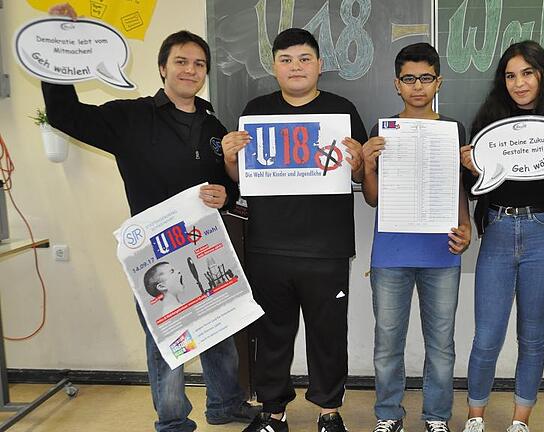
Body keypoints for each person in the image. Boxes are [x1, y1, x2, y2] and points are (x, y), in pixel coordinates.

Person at [42, 4, 259, 431]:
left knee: (219, 328)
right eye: (181, 61)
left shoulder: (215, 125)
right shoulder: (129, 117)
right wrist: (56, 47)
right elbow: (64, 115)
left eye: (199, 64)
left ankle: (225, 405)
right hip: (155, 253)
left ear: (205, 73)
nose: (190, 70)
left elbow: (227, 185)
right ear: (163, 68)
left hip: (206, 244)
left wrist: (226, 191)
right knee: (168, 340)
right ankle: (173, 419)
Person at [221, 28, 366, 432]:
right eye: (286, 60)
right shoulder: (255, 110)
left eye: (304, 59)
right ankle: (273, 412)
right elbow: (240, 179)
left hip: (327, 248)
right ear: (274, 67)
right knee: (272, 335)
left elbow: (360, 173)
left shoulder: (342, 111)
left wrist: (358, 164)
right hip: (269, 247)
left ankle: (328, 412)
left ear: (319, 65)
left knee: (328, 335)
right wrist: (232, 159)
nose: (296, 67)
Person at [459, 41, 544, 432]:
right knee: (487, 336)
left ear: (543, 74)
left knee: (532, 337)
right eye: (511, 75)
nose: (519, 83)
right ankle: (475, 418)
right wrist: (470, 169)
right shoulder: (488, 122)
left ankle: (520, 420)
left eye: (527, 73)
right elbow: (475, 189)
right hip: (498, 230)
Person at [361, 42, 472, 432]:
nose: (418, 86)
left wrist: (466, 226)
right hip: (391, 253)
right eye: (409, 78)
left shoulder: (454, 129)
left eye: (426, 78)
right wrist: (368, 165)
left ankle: (437, 416)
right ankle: (388, 415)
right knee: (387, 345)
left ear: (438, 81)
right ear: (397, 84)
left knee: (441, 345)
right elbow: (373, 199)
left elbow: (457, 187)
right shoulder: (383, 130)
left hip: (441, 252)